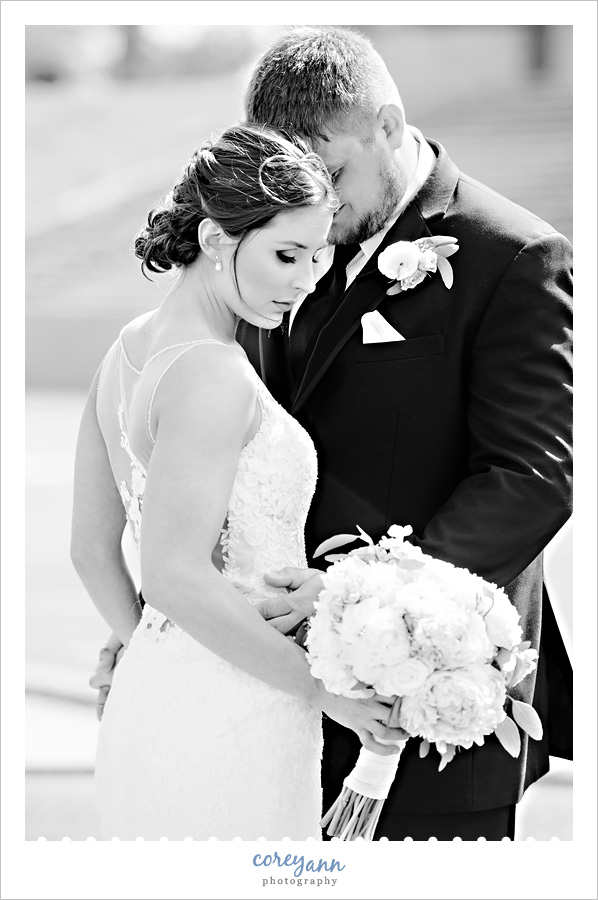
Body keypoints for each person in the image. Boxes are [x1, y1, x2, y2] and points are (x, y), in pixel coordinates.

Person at [234, 26, 573, 841]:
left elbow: (531, 477)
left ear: (388, 125)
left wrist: (355, 596)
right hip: (270, 704)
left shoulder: (515, 256)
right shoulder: (277, 242)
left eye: (331, 175)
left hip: (427, 700)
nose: (312, 206)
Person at [71, 124, 405, 841]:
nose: (306, 280)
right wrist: (322, 691)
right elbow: (174, 573)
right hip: (236, 715)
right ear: (217, 237)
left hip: (154, 697)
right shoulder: (213, 374)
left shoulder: (126, 351)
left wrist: (149, 651)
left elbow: (91, 550)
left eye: (316, 255)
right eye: (286, 254)